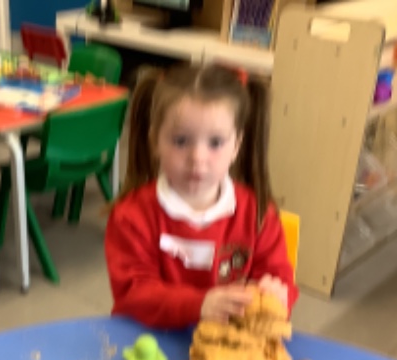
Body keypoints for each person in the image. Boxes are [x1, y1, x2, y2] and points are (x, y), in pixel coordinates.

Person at [104, 62, 298, 330]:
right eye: (181, 141)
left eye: (215, 142)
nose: (198, 158)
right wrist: (199, 304)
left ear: (236, 146)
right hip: (149, 336)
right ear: (155, 141)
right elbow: (133, 293)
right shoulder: (131, 216)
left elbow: (279, 276)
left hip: (227, 337)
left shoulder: (258, 214)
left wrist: (277, 292)